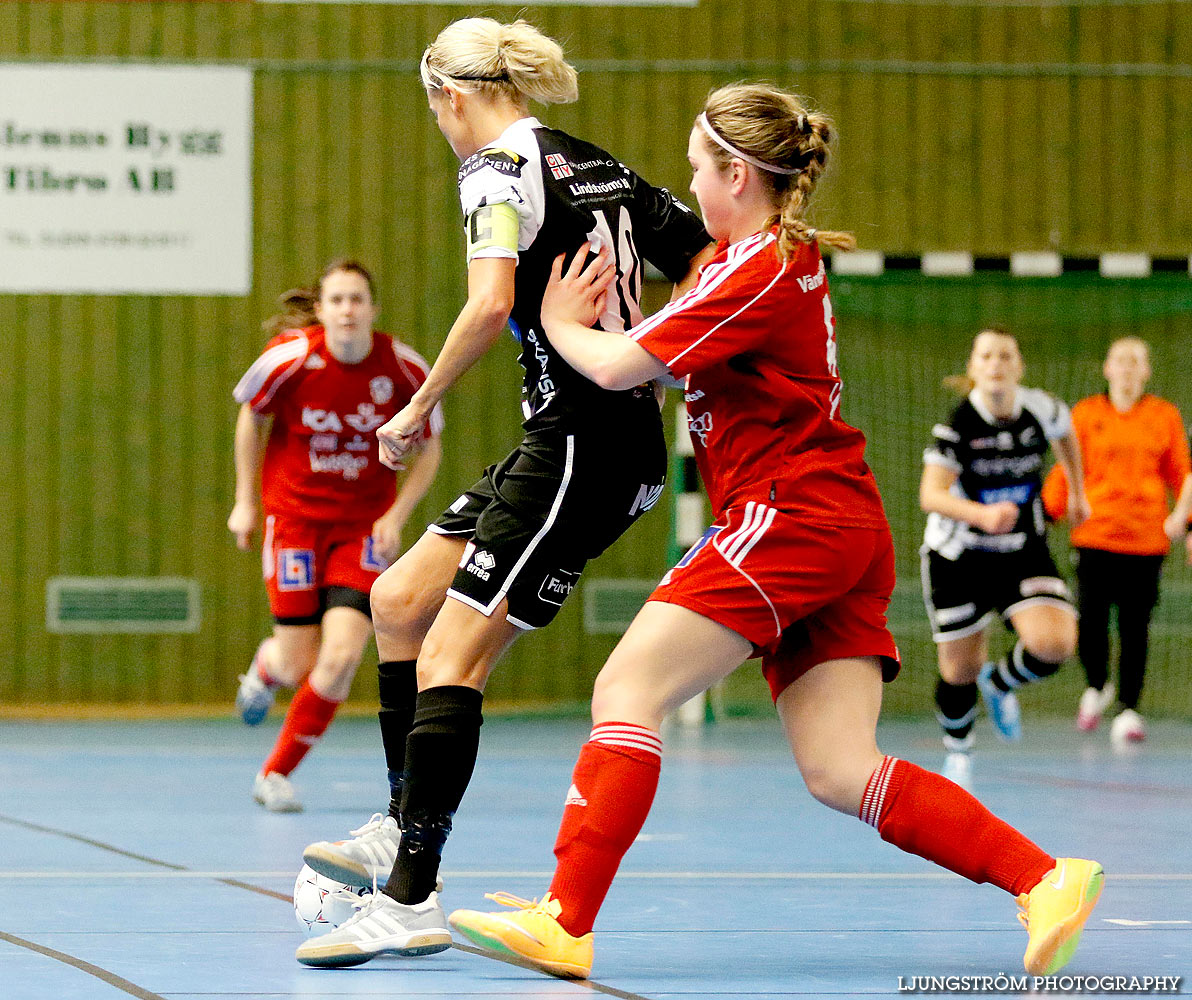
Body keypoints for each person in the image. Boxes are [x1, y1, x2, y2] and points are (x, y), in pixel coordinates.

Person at [447, 82, 1103, 981]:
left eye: (696, 168)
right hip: (837, 522)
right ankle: (1046, 877)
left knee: (627, 687)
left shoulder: (756, 269)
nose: (688, 182)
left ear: (740, 177)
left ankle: (568, 916)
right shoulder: (749, 260)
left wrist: (558, 321)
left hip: (791, 514)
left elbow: (621, 364)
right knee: (841, 770)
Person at [294, 17, 711, 966]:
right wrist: (654, 339)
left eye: (432, 107)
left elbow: (487, 306)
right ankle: (401, 824)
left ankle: (410, 895)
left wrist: (414, 411)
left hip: (586, 446)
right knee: (397, 600)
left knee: (453, 649)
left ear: (449, 94)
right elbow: (698, 256)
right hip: (567, 440)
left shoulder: (490, 168)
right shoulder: (586, 159)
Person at [227, 261, 443, 812]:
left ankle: (275, 773)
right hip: (294, 521)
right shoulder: (291, 358)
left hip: (362, 528)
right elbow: (251, 415)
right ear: (321, 310)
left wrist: (396, 515)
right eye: (337, 300)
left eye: (357, 299)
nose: (348, 309)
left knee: (343, 654)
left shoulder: (402, 368)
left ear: (372, 309)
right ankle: (267, 667)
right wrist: (245, 503)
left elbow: (430, 446)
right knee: (297, 662)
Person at [919, 328, 1089, 786]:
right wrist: (981, 513)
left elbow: (1067, 434)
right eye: (986, 356)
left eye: (1005, 356)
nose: (996, 363)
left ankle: (999, 685)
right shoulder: (956, 427)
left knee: (1056, 644)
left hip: (1020, 549)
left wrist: (1076, 490)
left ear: (1019, 367)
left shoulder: (1041, 408)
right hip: (959, 555)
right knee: (959, 670)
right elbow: (930, 495)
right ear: (973, 368)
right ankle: (959, 752)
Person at [1041, 337, 1190, 743]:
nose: (1127, 367)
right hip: (1094, 535)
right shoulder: (1086, 415)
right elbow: (1065, 471)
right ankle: (1097, 685)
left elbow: (1183, 473)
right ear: (1107, 368)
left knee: (1134, 627)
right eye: (1120, 360)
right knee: (1089, 622)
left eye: (1135, 361)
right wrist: (1044, 513)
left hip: (1145, 541)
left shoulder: (1164, 416)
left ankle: (1129, 710)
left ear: (1146, 370)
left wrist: (1187, 523)